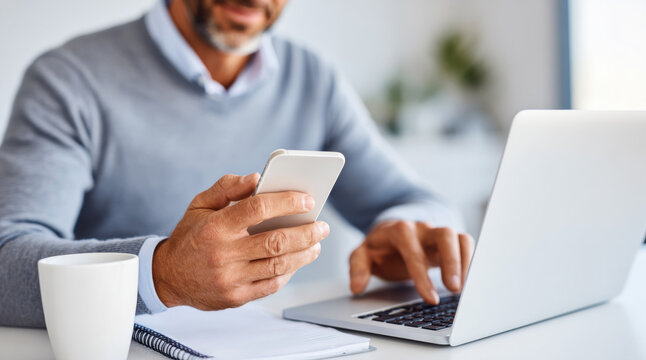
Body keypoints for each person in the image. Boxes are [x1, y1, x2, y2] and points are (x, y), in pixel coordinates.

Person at [0, 0, 474, 327]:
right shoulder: (67, 81)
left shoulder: (313, 79)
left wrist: (407, 228)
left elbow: (418, 200)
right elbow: (6, 258)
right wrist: (161, 273)